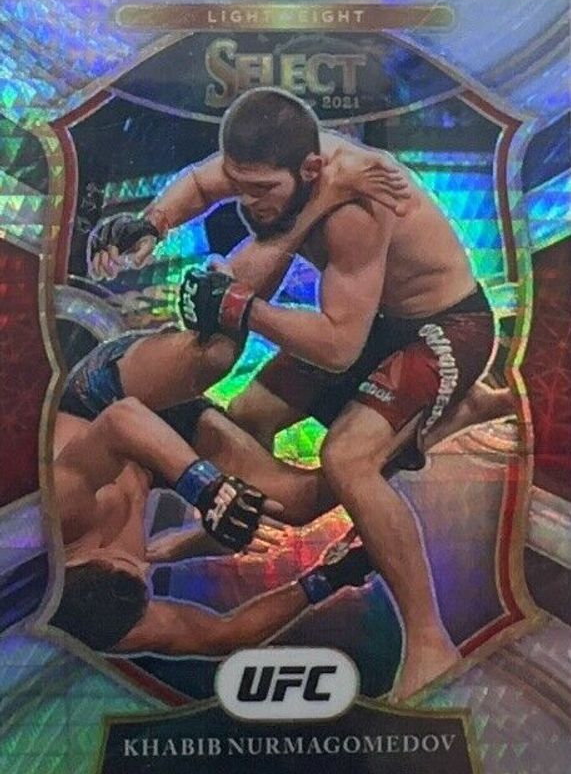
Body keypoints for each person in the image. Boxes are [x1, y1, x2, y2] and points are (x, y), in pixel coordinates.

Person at [82, 86, 509, 700]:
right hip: (374, 321)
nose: (249, 204)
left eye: (262, 191)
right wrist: (153, 222)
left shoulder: (359, 204)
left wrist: (242, 308)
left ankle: (428, 638)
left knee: (346, 459)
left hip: (443, 329)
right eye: (241, 186)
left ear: (310, 170)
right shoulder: (271, 165)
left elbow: (337, 347)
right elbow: (201, 183)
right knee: (246, 418)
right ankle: (432, 423)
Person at [50, 399, 372, 654]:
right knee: (286, 505)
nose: (143, 566)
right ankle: (380, 435)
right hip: (151, 463)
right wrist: (331, 577)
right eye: (142, 575)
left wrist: (209, 490)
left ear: (76, 561)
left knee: (296, 499)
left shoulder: (57, 514)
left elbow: (120, 418)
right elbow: (224, 635)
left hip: (111, 406)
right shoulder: (111, 623)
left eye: (128, 562)